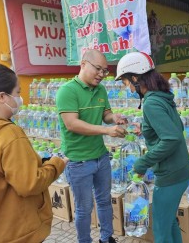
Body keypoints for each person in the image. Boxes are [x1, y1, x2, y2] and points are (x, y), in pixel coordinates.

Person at [0, 63, 67, 243]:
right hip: (17, 233)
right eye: (17, 93)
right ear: (2, 97)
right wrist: (56, 164)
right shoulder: (8, 134)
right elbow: (29, 184)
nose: (21, 98)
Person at [115, 51, 189, 243]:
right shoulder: (162, 96)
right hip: (180, 169)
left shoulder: (151, 103)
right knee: (169, 222)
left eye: (125, 82)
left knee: (160, 229)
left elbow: (172, 138)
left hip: (171, 174)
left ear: (135, 78)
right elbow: (177, 128)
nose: (127, 88)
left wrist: (142, 163)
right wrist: (146, 128)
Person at [56, 49, 127, 243]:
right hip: (78, 161)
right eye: (98, 69)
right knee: (84, 207)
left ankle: (106, 238)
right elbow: (72, 124)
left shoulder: (101, 89)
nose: (101, 75)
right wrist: (106, 131)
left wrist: (115, 118)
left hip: (101, 157)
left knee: (104, 201)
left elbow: (106, 114)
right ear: (83, 64)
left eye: (105, 71)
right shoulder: (67, 91)